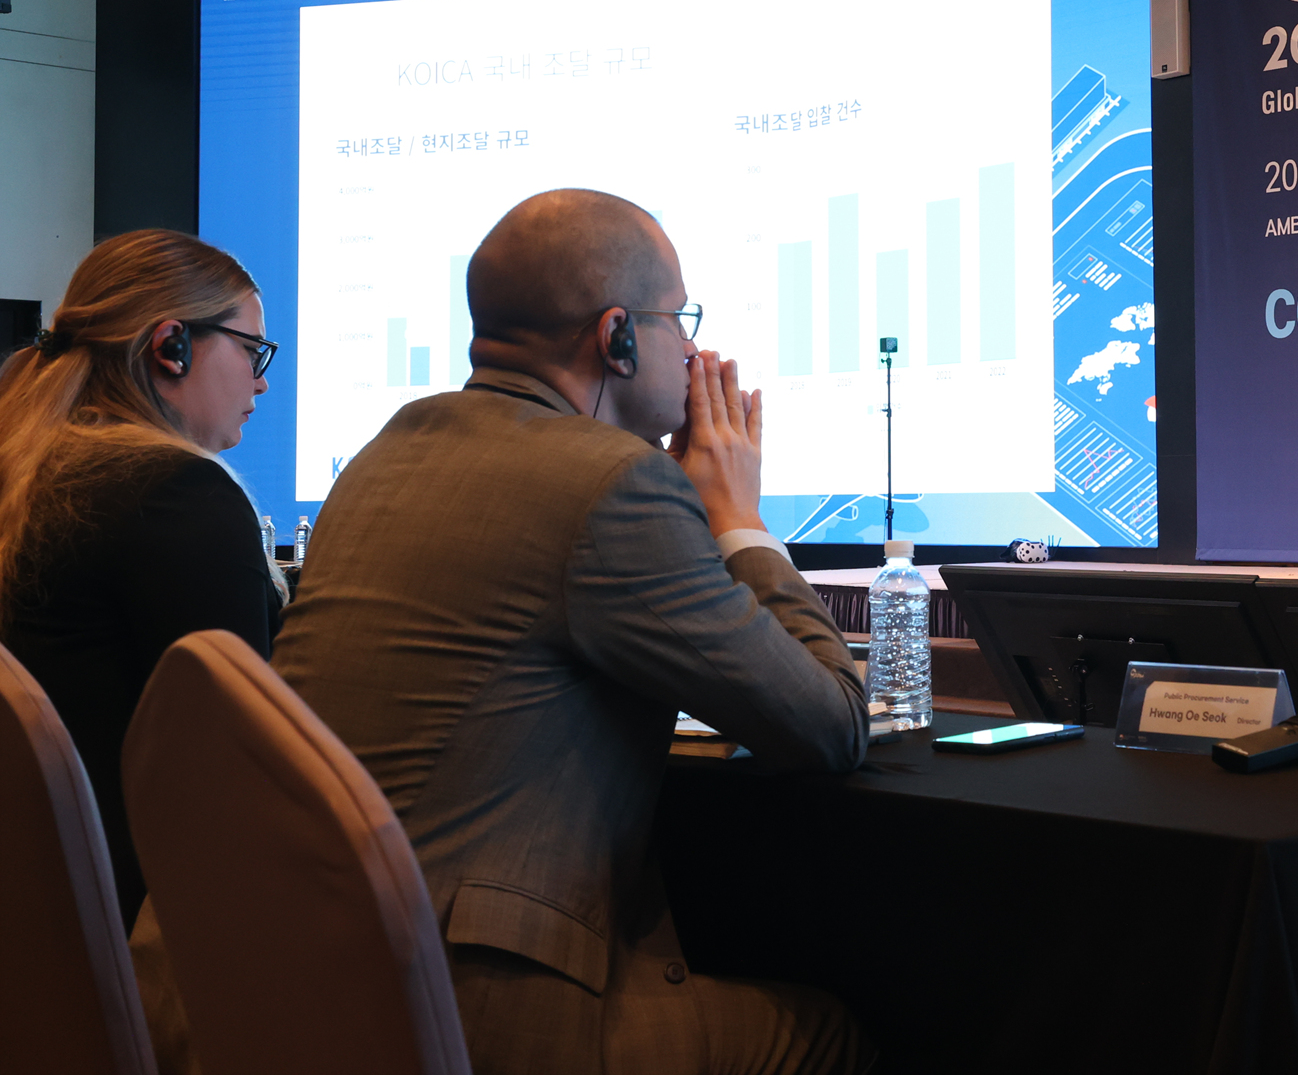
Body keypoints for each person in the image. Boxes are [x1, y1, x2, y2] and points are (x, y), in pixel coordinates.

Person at [175, 189, 872, 1075]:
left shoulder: (389, 452)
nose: (694, 351)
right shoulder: (615, 485)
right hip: (459, 1010)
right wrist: (738, 517)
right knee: (830, 1036)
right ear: (617, 338)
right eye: (679, 321)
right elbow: (829, 725)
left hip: (267, 985)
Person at [0, 229, 282, 930]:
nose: (261, 381)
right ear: (170, 346)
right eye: (252, 350)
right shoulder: (176, 494)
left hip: (39, 913)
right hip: (143, 924)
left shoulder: (29, 475)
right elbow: (241, 763)